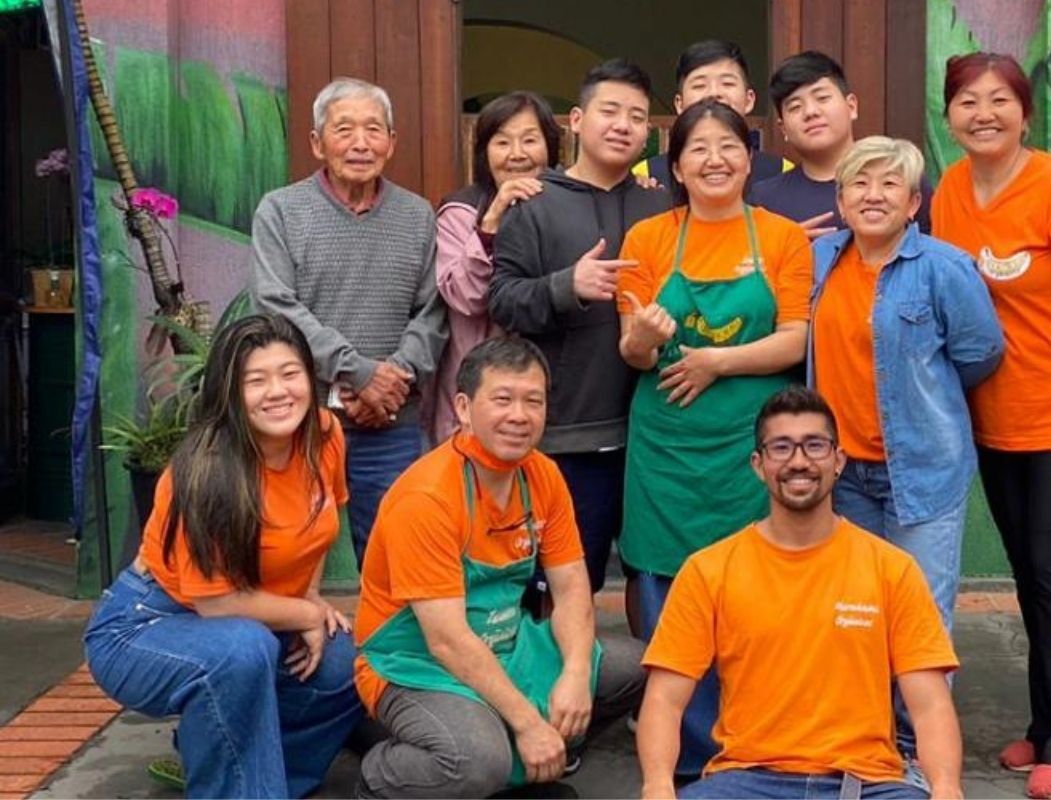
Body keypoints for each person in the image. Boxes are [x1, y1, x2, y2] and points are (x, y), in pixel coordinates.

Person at [932, 52, 1051, 800]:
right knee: (1029, 571)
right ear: (948, 115)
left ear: (1025, 112)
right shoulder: (951, 189)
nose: (983, 114)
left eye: (999, 101)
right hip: (994, 421)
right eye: (967, 102)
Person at [82, 314, 363, 799]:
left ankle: (232, 770)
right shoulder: (206, 471)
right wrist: (304, 613)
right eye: (256, 381)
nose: (278, 392)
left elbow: (320, 522)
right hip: (145, 623)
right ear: (229, 392)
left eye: (290, 373)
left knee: (340, 663)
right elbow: (216, 604)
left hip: (244, 616)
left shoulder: (323, 434)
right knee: (241, 650)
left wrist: (311, 595)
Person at [353, 336, 646, 798]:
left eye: (534, 401)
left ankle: (530, 754)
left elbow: (572, 587)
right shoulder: (427, 498)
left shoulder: (543, 475)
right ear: (464, 408)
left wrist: (575, 674)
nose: (519, 416)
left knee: (634, 667)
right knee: (477, 760)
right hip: (416, 662)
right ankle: (385, 774)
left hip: (508, 644)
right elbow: (447, 641)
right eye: (503, 399)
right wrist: (528, 724)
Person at [638, 386, 963, 800]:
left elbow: (930, 705)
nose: (798, 461)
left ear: (838, 461)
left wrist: (947, 787)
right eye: (781, 447)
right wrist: (657, 786)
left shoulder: (892, 569)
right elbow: (664, 699)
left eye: (814, 445)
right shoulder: (708, 571)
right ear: (758, 465)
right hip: (745, 782)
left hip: (862, 784)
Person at [617, 97, 812, 775]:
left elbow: (795, 339)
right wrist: (644, 338)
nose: (714, 160)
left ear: (750, 160)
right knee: (669, 590)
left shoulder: (782, 238)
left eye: (728, 146)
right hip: (666, 448)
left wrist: (714, 362)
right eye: (697, 148)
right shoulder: (647, 240)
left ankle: (758, 740)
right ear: (675, 166)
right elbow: (632, 351)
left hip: (748, 449)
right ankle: (691, 754)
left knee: (757, 587)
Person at [809, 135, 1004, 765]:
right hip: (844, 477)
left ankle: (919, 755)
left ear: (914, 202)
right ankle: (868, 743)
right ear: (841, 200)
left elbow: (980, 353)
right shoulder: (819, 259)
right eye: (860, 183)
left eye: (890, 184)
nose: (874, 196)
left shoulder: (945, 268)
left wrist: (924, 399)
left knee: (919, 617)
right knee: (857, 611)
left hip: (922, 470)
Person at [489, 60, 671, 598]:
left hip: (656, 432)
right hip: (571, 436)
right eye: (610, 111)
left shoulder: (661, 202)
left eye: (636, 116)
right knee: (566, 586)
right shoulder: (534, 203)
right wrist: (566, 285)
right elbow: (502, 301)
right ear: (576, 120)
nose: (623, 125)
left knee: (653, 583)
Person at [252, 77, 447, 568]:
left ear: (391, 142)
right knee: (288, 554)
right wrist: (358, 374)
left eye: (373, 129)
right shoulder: (280, 210)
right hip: (303, 418)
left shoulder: (417, 215)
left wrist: (393, 381)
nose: (361, 143)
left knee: (393, 554)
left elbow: (432, 312)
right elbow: (276, 305)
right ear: (317, 142)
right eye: (344, 129)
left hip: (391, 420)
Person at [430, 91, 561, 443]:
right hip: (480, 394)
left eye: (530, 140)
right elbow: (466, 297)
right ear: (484, 152)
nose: (517, 154)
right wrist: (491, 222)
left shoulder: (568, 206)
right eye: (502, 142)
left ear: (550, 147)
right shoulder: (459, 212)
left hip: (555, 396)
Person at [750, 51, 932, 238]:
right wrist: (785, 246)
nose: (811, 112)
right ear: (783, 129)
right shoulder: (764, 199)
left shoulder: (902, 178)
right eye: (795, 107)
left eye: (822, 98)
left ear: (851, 106)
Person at [634, 39, 791, 188]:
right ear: (679, 104)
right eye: (700, 85)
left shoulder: (782, 172)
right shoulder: (647, 174)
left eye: (727, 83)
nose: (714, 93)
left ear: (749, 100)